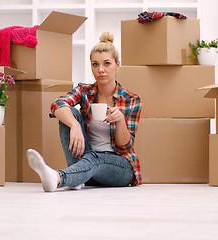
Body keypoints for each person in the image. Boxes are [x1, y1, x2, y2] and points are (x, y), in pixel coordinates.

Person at [26, 32, 142, 192]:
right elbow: (57, 104)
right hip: (87, 159)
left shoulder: (131, 99)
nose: (100, 69)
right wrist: (74, 125)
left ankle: (59, 177)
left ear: (117, 65)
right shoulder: (84, 91)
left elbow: (126, 145)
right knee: (70, 112)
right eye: (95, 64)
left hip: (119, 166)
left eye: (107, 64)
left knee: (94, 159)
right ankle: (77, 177)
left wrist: (120, 120)